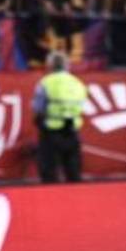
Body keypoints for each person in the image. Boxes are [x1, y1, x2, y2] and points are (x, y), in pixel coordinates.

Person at [31, 51, 87, 183]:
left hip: (51, 131)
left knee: (49, 172)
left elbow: (38, 107)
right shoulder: (77, 83)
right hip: (72, 131)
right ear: (67, 66)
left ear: (49, 66)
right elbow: (82, 105)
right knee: (73, 173)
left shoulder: (46, 83)